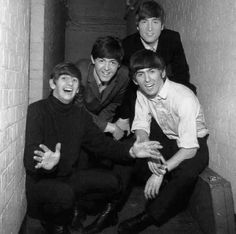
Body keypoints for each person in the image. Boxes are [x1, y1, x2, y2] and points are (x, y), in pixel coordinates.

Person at [23, 62, 162, 234]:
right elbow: (30, 156)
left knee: (113, 183)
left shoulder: (80, 115)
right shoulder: (37, 110)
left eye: (74, 81)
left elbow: (102, 145)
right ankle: (53, 223)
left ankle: (78, 210)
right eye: (64, 78)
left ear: (78, 88)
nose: (69, 84)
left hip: (69, 177)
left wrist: (131, 151)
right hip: (42, 183)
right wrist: (44, 164)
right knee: (64, 194)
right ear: (52, 83)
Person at [117, 50, 209, 234]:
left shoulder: (184, 98)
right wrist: (146, 146)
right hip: (169, 138)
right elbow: (141, 125)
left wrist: (161, 171)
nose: (147, 79)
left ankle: (148, 217)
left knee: (186, 173)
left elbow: (189, 148)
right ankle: (113, 207)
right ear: (135, 80)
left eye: (152, 71)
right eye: (140, 74)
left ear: (163, 72)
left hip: (193, 143)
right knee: (132, 153)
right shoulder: (142, 93)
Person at [117, 0, 196, 129]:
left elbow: (182, 73)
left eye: (155, 22)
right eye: (144, 22)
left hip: (165, 90)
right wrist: (124, 116)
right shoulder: (127, 46)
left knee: (190, 91)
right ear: (137, 26)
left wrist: (176, 103)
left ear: (162, 25)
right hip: (139, 94)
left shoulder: (172, 39)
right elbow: (128, 86)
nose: (150, 28)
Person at [75, 36, 130, 140]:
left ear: (119, 64)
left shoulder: (124, 75)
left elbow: (113, 104)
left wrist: (100, 131)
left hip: (96, 121)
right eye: (101, 61)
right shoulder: (80, 72)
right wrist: (109, 127)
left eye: (112, 62)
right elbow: (78, 110)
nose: (106, 68)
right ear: (92, 59)